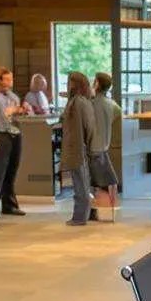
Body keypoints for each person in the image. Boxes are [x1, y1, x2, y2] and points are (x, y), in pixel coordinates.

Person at [0, 68, 27, 216]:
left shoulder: (12, 96)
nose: (11, 82)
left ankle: (9, 205)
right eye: (7, 79)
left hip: (15, 133)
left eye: (11, 79)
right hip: (2, 135)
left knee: (12, 170)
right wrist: (15, 110)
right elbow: (4, 116)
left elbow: (15, 112)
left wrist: (21, 110)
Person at [61, 72, 96, 226]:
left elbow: (89, 126)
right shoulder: (77, 101)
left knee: (80, 183)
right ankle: (79, 215)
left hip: (78, 147)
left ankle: (80, 216)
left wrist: (87, 144)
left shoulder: (79, 102)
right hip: (75, 146)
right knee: (78, 182)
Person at [87, 72, 123, 221]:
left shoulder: (91, 104)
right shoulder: (112, 105)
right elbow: (118, 115)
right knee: (106, 179)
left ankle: (95, 211)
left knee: (93, 182)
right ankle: (101, 210)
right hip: (104, 147)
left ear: (96, 84)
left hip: (92, 148)